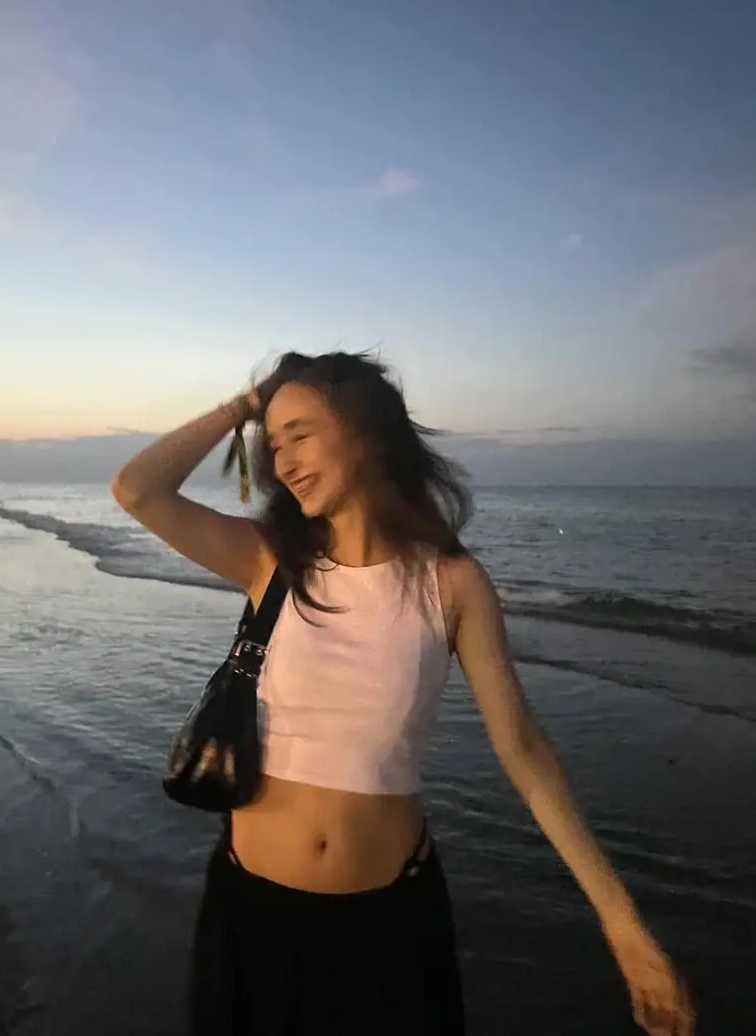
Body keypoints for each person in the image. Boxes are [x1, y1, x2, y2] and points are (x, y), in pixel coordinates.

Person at [111, 350, 694, 1036]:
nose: (284, 461)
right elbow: (137, 489)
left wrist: (622, 922)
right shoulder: (269, 560)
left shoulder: (451, 583)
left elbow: (524, 749)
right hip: (250, 916)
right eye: (274, 444)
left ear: (367, 432)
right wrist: (244, 406)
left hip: (385, 930)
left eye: (301, 434)